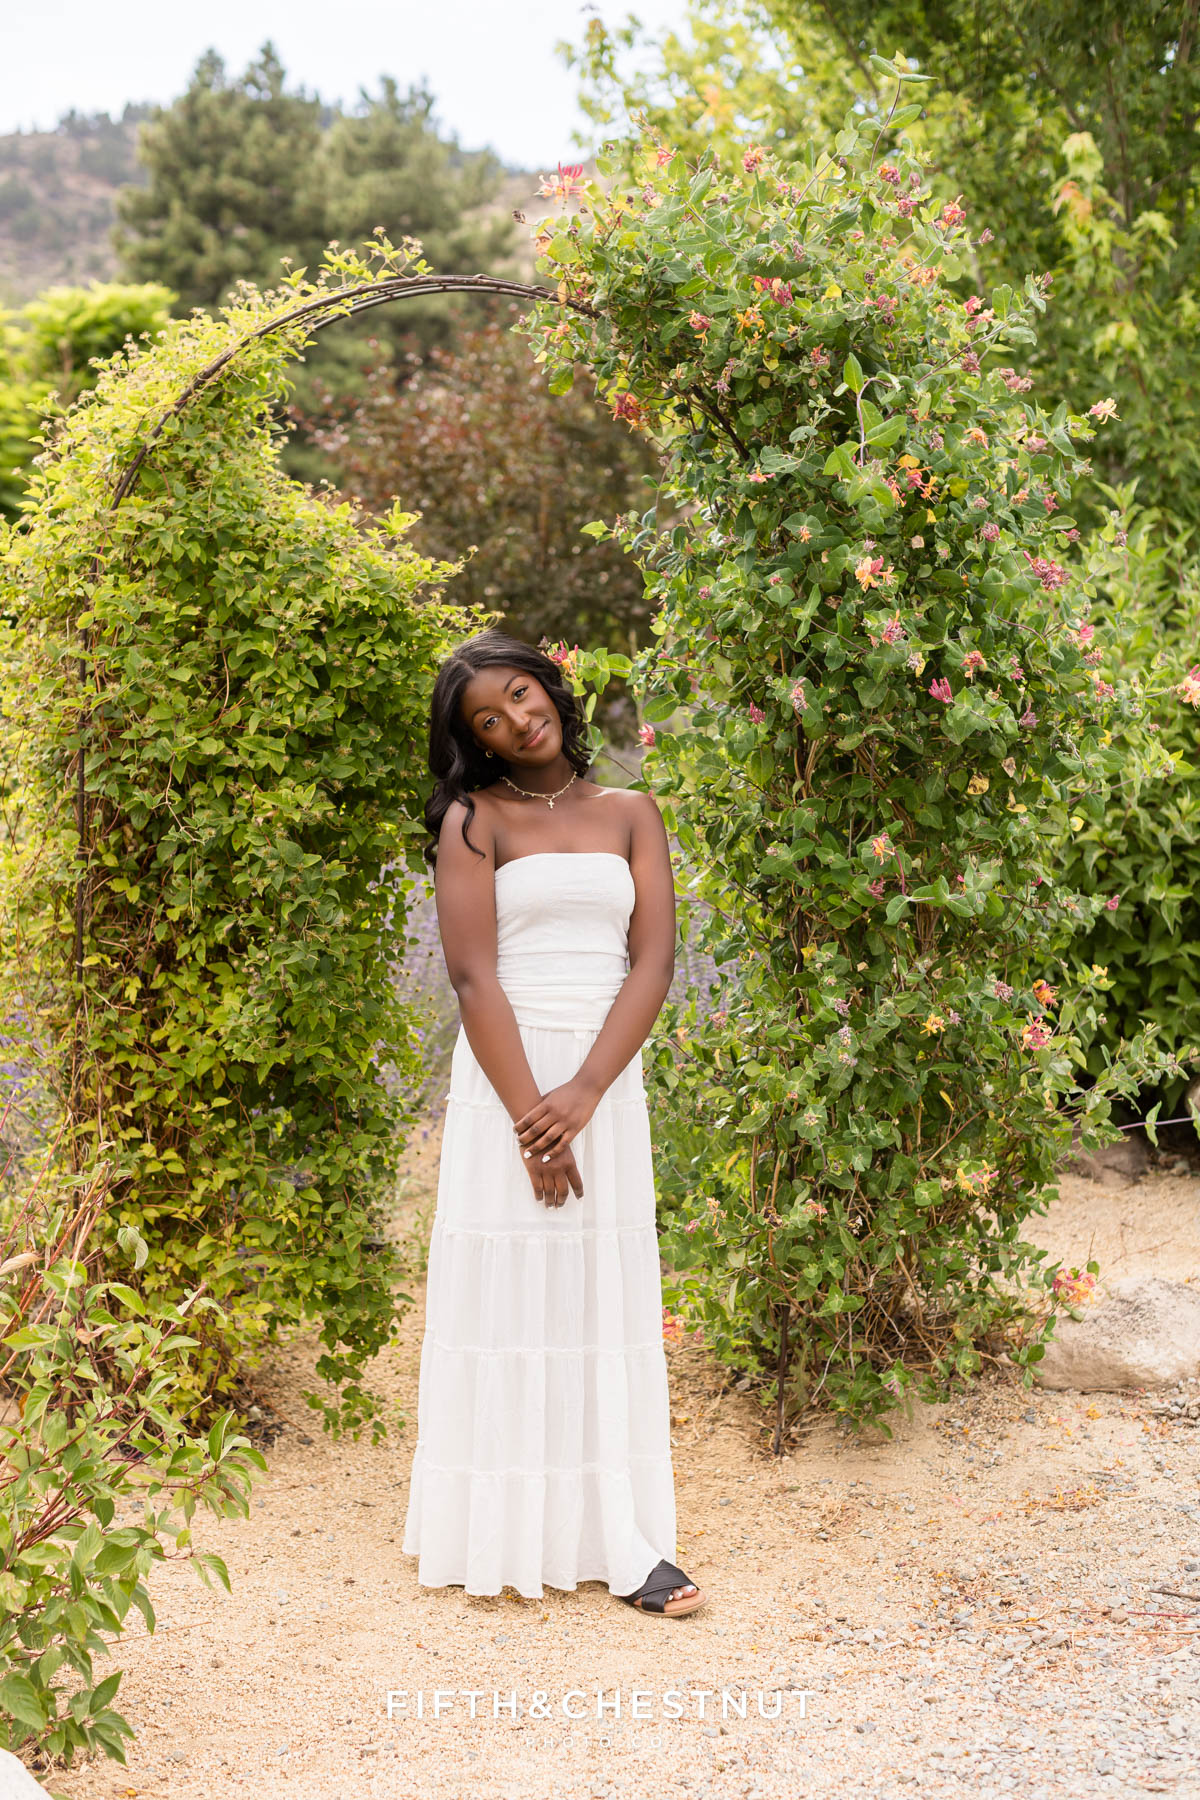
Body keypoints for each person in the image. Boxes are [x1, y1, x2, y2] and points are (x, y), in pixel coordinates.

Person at [401, 627, 706, 1617]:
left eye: (522, 695)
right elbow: (471, 974)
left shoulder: (632, 812)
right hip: (509, 1079)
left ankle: (620, 1534)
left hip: (604, 1081)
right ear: (475, 742)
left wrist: (583, 1095)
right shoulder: (472, 819)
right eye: (487, 719)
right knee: (517, 1291)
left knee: (597, 1297)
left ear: (551, 687)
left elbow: (652, 963)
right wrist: (535, 1113)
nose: (516, 720)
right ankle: (501, 1530)